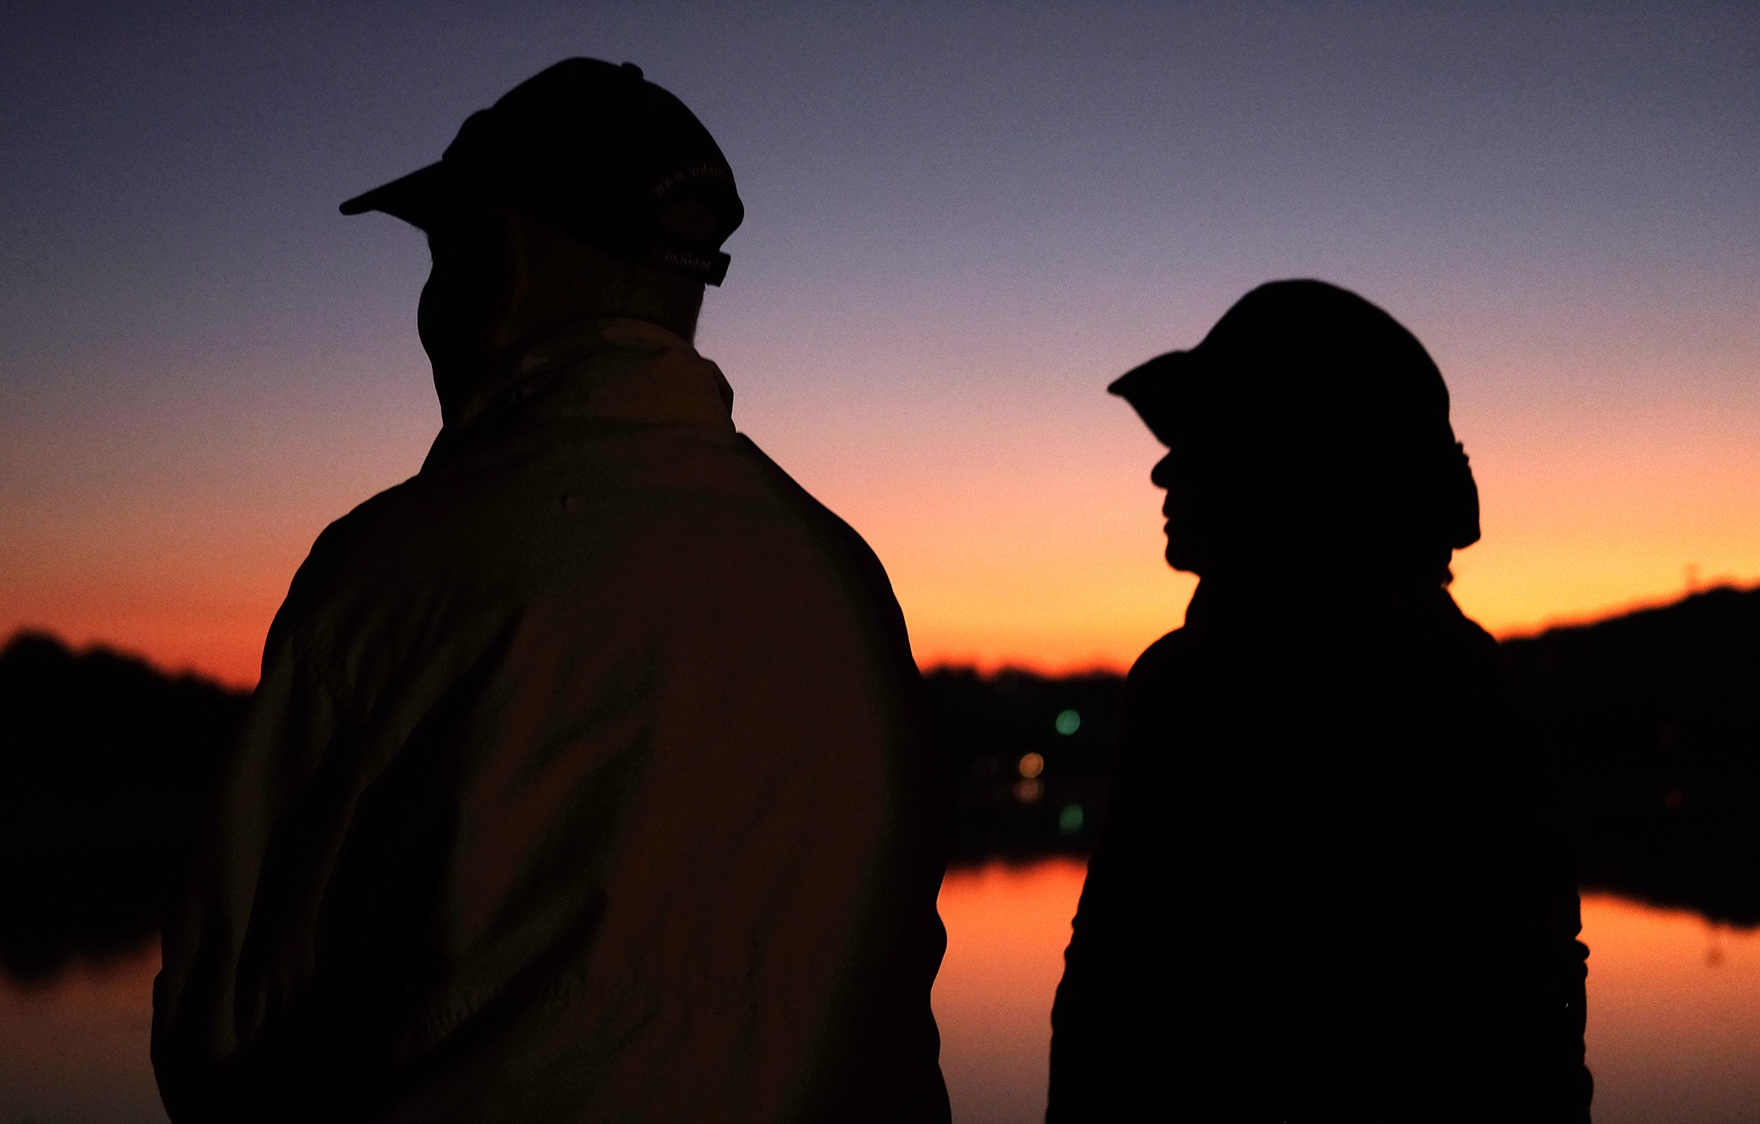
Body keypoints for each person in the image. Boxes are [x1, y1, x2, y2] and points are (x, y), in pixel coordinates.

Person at [150, 58, 951, 1124]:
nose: (433, 304)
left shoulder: (396, 570)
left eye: (447, 257)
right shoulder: (840, 571)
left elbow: (236, 1028)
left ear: (502, 262)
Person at [1047, 280, 1591, 1123]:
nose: (1161, 465)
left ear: (1287, 465)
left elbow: (1125, 1029)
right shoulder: (1467, 678)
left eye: (1203, 437)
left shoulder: (1215, 687)